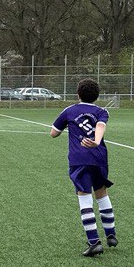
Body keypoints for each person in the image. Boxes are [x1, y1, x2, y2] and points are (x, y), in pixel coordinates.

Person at [50, 79, 118, 257]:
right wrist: (96, 141)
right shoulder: (102, 111)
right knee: (102, 194)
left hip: (79, 159)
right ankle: (111, 234)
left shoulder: (69, 111)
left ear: (78, 94)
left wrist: (68, 126)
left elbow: (53, 133)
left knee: (85, 197)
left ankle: (94, 241)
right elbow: (101, 125)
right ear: (97, 96)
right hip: (99, 158)